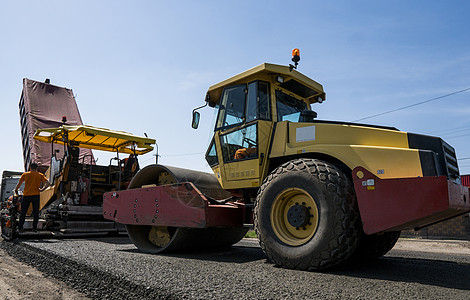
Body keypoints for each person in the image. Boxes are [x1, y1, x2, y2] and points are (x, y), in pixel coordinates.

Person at [14, 162, 50, 232]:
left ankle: (20, 228)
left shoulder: (25, 174)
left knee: (23, 212)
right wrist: (42, 189)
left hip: (26, 195)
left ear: (30, 168)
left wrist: (16, 190)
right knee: (36, 213)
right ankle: (34, 228)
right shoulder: (40, 175)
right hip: (36, 195)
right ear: (37, 168)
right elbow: (48, 183)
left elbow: (19, 184)